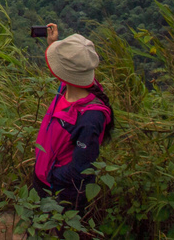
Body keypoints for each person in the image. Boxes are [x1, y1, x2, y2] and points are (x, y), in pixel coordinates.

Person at [33, 23, 114, 217]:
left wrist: (49, 176)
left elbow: (82, 171)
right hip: (44, 177)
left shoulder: (90, 117)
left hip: (60, 192)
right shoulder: (71, 87)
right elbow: (69, 72)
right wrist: (54, 44)